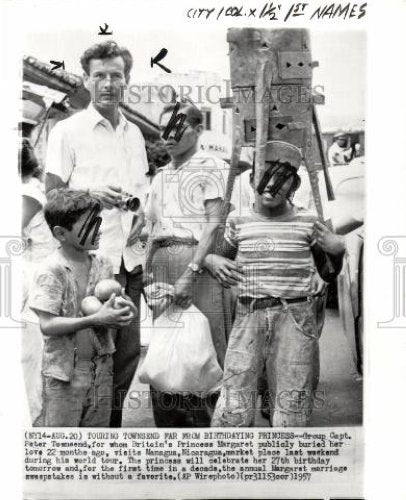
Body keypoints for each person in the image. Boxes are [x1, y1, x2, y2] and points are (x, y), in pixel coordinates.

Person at [45, 40, 150, 427]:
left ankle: (112, 435)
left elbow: (142, 192)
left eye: (116, 75)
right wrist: (90, 194)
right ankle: (84, 441)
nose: (108, 83)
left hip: (130, 261)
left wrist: (142, 216)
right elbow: (51, 195)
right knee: (86, 358)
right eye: (100, 76)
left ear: (127, 80)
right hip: (90, 263)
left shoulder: (135, 134)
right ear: (87, 81)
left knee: (125, 357)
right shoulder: (67, 131)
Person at [208, 141, 346, 427]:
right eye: (264, 178)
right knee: (235, 399)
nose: (271, 186)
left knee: (291, 400)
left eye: (282, 180)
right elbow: (218, 258)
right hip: (249, 316)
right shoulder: (238, 221)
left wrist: (337, 250)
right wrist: (211, 261)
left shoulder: (309, 221)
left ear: (294, 185)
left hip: (295, 319)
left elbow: (329, 273)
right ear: (250, 180)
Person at [144, 101, 233, 427]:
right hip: (162, 262)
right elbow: (152, 227)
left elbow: (213, 224)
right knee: (168, 348)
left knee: (203, 347)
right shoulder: (162, 175)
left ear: (197, 130)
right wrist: (147, 270)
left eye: (178, 129)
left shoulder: (211, 166)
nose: (169, 136)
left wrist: (193, 271)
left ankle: (211, 434)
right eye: (165, 129)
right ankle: (171, 431)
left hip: (197, 263)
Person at [29, 189, 136, 427]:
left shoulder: (103, 265)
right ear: (61, 233)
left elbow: (116, 308)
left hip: (100, 372)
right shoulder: (51, 270)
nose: (97, 228)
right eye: (88, 224)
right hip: (63, 375)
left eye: (98, 221)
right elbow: (48, 325)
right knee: (62, 445)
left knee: (95, 440)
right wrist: (95, 320)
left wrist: (125, 309)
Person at [20, 138, 57, 424]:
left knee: (29, 363)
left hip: (33, 278)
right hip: (28, 274)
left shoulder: (28, 194)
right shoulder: (28, 189)